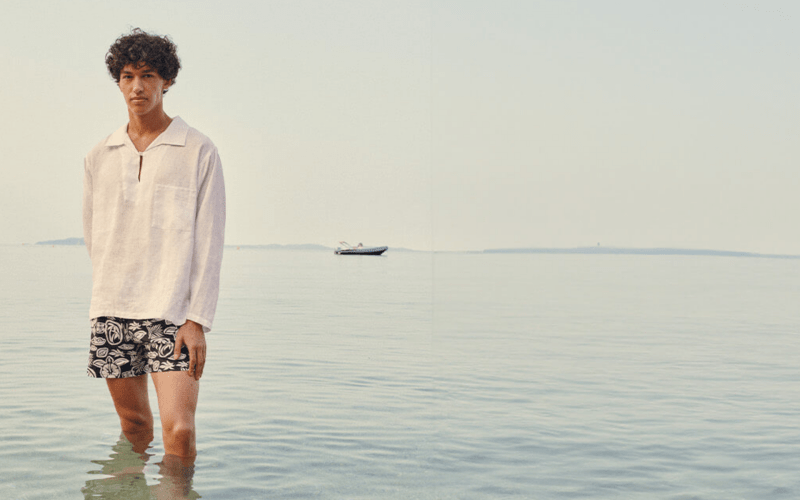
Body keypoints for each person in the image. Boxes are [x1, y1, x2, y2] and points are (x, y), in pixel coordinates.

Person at [82, 28, 226, 461]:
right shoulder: (100, 154)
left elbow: (210, 240)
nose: (137, 87)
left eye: (148, 75)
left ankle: (176, 491)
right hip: (113, 310)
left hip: (174, 315)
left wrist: (197, 319)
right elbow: (95, 236)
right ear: (118, 82)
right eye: (128, 76)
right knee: (134, 427)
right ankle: (127, 490)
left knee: (179, 431)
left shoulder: (198, 149)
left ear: (167, 80)